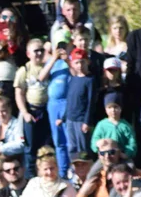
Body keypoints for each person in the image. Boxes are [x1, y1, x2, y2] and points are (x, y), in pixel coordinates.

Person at [15, 38, 51, 177]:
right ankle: (30, 179)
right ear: (28, 53)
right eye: (36, 51)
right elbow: (19, 93)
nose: (39, 53)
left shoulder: (48, 67)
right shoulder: (24, 70)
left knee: (47, 146)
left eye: (41, 50)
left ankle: (47, 174)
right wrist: (25, 113)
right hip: (31, 110)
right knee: (30, 149)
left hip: (46, 110)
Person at [42, 35, 74, 177]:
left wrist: (67, 59)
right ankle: (62, 172)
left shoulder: (71, 61)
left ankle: (73, 171)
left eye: (64, 46)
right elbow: (41, 77)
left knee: (70, 140)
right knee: (59, 141)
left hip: (67, 102)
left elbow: (76, 73)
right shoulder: (51, 61)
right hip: (53, 104)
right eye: (59, 46)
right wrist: (54, 58)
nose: (61, 49)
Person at [63, 48, 99, 156]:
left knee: (83, 149)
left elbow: (91, 102)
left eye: (82, 62)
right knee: (72, 147)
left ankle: (87, 171)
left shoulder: (90, 80)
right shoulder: (73, 78)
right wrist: (63, 117)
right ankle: (75, 170)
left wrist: (86, 121)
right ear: (72, 64)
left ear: (87, 62)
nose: (79, 65)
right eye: (77, 62)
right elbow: (69, 100)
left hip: (81, 120)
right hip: (70, 119)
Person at [90, 92, 137, 160]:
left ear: (121, 108)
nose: (113, 110)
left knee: (130, 168)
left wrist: (127, 154)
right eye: (109, 107)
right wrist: (98, 145)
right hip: (105, 157)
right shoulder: (101, 125)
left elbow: (132, 143)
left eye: (116, 107)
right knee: (93, 171)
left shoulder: (126, 126)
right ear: (106, 110)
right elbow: (94, 140)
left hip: (121, 156)